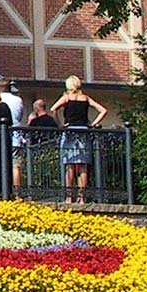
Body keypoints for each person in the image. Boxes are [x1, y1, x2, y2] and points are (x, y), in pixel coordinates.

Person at [51, 75, 109, 204]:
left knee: (70, 165)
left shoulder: (66, 98)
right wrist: (93, 124)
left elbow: (53, 109)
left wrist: (60, 124)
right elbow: (103, 110)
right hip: (83, 131)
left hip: (70, 131)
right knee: (83, 165)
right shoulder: (85, 98)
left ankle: (68, 197)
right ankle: (82, 198)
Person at [1, 79, 28, 193]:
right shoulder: (18, 100)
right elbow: (20, 116)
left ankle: (3, 191)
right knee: (16, 166)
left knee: (1, 164)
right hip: (16, 136)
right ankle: (17, 193)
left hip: (2, 137)